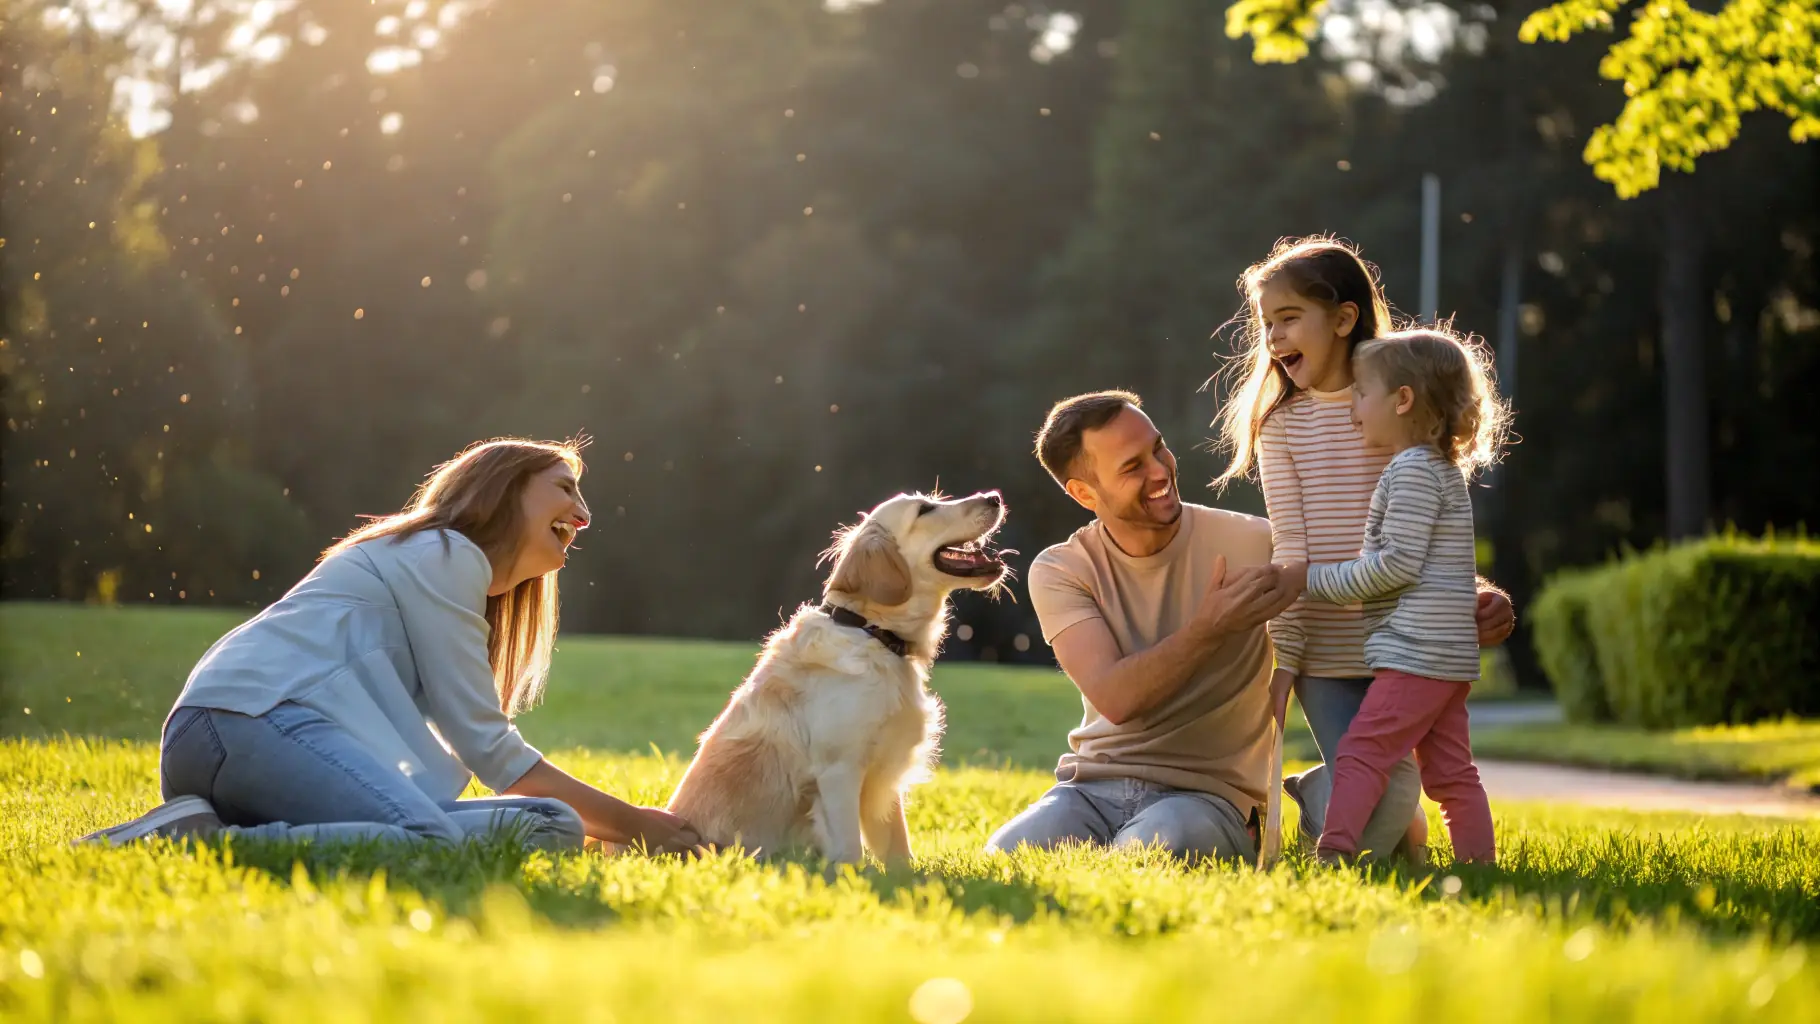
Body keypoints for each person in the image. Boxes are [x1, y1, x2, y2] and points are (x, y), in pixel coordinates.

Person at [77, 439, 701, 856]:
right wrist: (639, 823)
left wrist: (613, 825)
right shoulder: (445, 555)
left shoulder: (452, 575)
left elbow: (494, 768)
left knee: (552, 826)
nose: (583, 515)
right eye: (566, 489)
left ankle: (221, 824)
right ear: (507, 488)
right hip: (248, 723)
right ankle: (199, 843)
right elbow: (493, 753)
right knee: (428, 841)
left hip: (252, 745)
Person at [1214, 235, 1514, 862]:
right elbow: (1292, 553)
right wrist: (1287, 658)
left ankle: (1340, 804)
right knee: (1385, 792)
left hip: (1411, 645)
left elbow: (1433, 538)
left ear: (1345, 318)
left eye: (1289, 319)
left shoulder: (1402, 412)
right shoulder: (1282, 426)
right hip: (1328, 648)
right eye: (1266, 324)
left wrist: (1479, 598)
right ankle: (1348, 810)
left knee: (1401, 784)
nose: (1274, 337)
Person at [984, 391, 1300, 863]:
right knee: (1005, 857)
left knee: (1149, 853)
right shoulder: (1062, 569)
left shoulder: (1255, 544)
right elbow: (1117, 698)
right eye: (1132, 467)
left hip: (1210, 798)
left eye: (1158, 448)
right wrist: (1207, 629)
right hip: (1090, 791)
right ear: (1084, 493)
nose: (1160, 471)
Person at [1281, 327, 1512, 864]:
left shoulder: (1409, 470)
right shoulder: (1442, 471)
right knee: (1452, 772)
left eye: (1362, 392)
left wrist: (1311, 580)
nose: (1353, 405)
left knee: (1362, 751)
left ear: (1402, 400)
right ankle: (1479, 868)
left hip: (1416, 655)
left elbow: (1396, 565)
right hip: (1448, 657)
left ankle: (1333, 851)